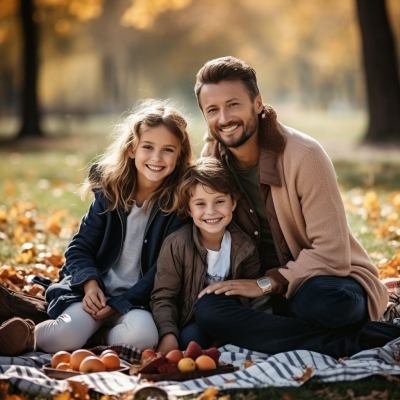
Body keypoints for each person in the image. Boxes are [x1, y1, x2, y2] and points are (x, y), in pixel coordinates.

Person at [193, 56, 400, 358]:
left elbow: (331, 253)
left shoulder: (304, 155)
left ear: (258, 103)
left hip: (325, 281)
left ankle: (275, 331)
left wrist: (265, 284)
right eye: (213, 109)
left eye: (233, 104)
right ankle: (352, 341)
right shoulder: (211, 159)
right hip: (258, 290)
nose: (224, 118)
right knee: (209, 309)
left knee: (324, 304)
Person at [34, 100, 192, 353]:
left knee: (142, 340)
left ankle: (95, 335)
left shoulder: (178, 204)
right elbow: (79, 247)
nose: (156, 158)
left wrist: (121, 303)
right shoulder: (110, 192)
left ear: (179, 155)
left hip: (136, 301)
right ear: (132, 149)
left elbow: (163, 270)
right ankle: (29, 331)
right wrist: (90, 284)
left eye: (168, 150)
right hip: (93, 294)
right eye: (148, 147)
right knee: (59, 339)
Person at [151, 157, 263, 354]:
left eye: (220, 201)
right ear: (189, 208)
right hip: (193, 320)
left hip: (230, 316)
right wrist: (168, 335)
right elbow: (164, 296)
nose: (211, 211)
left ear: (233, 203)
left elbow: (255, 296)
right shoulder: (177, 244)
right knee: (190, 339)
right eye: (200, 204)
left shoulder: (245, 246)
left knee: (215, 314)